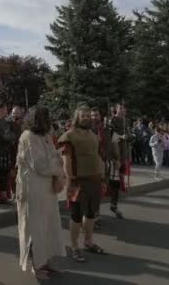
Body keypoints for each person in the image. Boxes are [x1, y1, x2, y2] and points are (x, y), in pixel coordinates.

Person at [16, 107, 65, 280]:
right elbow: (39, 164)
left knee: (48, 226)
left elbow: (55, 157)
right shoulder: (28, 136)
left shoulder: (45, 136)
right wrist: (57, 168)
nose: (45, 121)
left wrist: (58, 167)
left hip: (47, 189)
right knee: (34, 228)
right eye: (42, 118)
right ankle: (35, 266)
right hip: (32, 189)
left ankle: (46, 261)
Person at [58, 105, 105, 263]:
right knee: (76, 216)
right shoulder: (69, 136)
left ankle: (88, 242)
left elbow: (97, 156)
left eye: (87, 116)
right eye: (82, 116)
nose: (86, 118)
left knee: (91, 213)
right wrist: (70, 179)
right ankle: (74, 246)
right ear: (76, 118)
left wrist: (102, 175)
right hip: (78, 181)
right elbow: (66, 160)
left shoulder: (93, 135)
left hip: (94, 180)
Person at [109, 103, 130, 218]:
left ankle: (114, 205)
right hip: (114, 154)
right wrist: (121, 137)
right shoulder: (113, 120)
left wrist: (130, 137)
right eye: (120, 108)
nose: (123, 110)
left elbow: (129, 134)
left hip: (123, 153)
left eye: (124, 108)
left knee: (117, 181)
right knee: (110, 181)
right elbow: (111, 134)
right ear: (116, 109)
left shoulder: (126, 121)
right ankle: (95, 213)